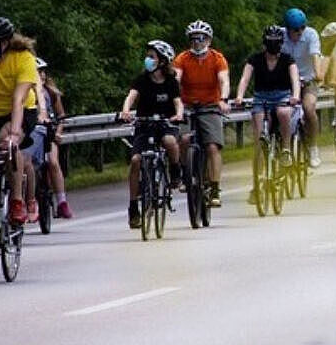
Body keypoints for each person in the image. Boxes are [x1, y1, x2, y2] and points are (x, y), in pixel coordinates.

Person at [233, 26, 302, 206]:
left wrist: (295, 95)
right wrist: (239, 96)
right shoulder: (254, 59)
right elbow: (245, 79)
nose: (272, 46)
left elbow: (295, 79)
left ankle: (286, 149)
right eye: (270, 42)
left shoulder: (288, 60)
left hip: (282, 96)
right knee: (259, 139)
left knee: (283, 112)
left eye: (276, 42)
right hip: (261, 96)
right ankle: (258, 183)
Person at [119, 40, 184, 229]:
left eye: (152, 57)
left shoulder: (171, 82)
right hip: (144, 124)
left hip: (165, 122)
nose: (148, 60)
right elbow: (131, 96)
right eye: (147, 56)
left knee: (170, 141)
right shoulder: (142, 79)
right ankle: (133, 207)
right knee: (136, 161)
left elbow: (178, 102)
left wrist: (178, 114)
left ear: (163, 61)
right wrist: (125, 110)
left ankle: (174, 171)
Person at [173, 20, 231, 207]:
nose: (197, 42)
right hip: (187, 105)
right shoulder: (182, 58)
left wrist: (223, 99)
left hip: (210, 106)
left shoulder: (217, 58)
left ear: (209, 40)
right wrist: (172, 98)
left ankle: (214, 188)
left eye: (201, 38)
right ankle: (185, 173)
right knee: (183, 139)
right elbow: (176, 78)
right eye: (193, 39)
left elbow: (224, 80)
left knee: (213, 146)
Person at [0, 16, 38, 225]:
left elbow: (18, 99)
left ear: (4, 43)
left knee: (7, 141)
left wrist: (15, 134)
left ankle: (17, 201)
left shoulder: (22, 58)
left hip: (18, 111)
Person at [282, 8, 324, 167]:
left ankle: (313, 146)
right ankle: (282, 145)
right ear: (287, 29)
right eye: (295, 29)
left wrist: (318, 73)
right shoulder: (280, 37)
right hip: (287, 81)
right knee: (280, 111)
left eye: (302, 28)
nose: (299, 32)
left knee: (308, 107)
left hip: (308, 80)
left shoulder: (311, 35)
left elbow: (315, 56)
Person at [28, 58, 70, 218]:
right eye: (38, 72)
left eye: (43, 72)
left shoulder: (52, 93)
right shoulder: (26, 92)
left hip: (49, 133)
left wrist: (59, 132)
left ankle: (62, 202)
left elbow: (61, 116)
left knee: (53, 162)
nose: (42, 75)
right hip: (32, 133)